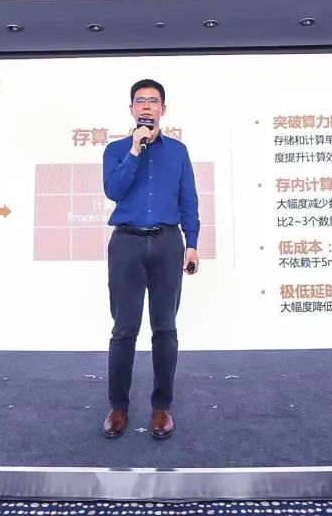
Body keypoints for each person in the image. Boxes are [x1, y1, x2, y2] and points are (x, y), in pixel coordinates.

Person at [100, 78, 199, 440]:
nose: (146, 106)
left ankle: (161, 408)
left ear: (163, 109)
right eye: (140, 101)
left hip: (167, 244)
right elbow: (114, 190)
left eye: (153, 101)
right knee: (124, 329)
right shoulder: (116, 150)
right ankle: (118, 407)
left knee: (165, 329)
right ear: (131, 109)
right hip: (126, 244)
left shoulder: (178, 152)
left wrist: (192, 243)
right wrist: (135, 150)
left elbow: (188, 199)